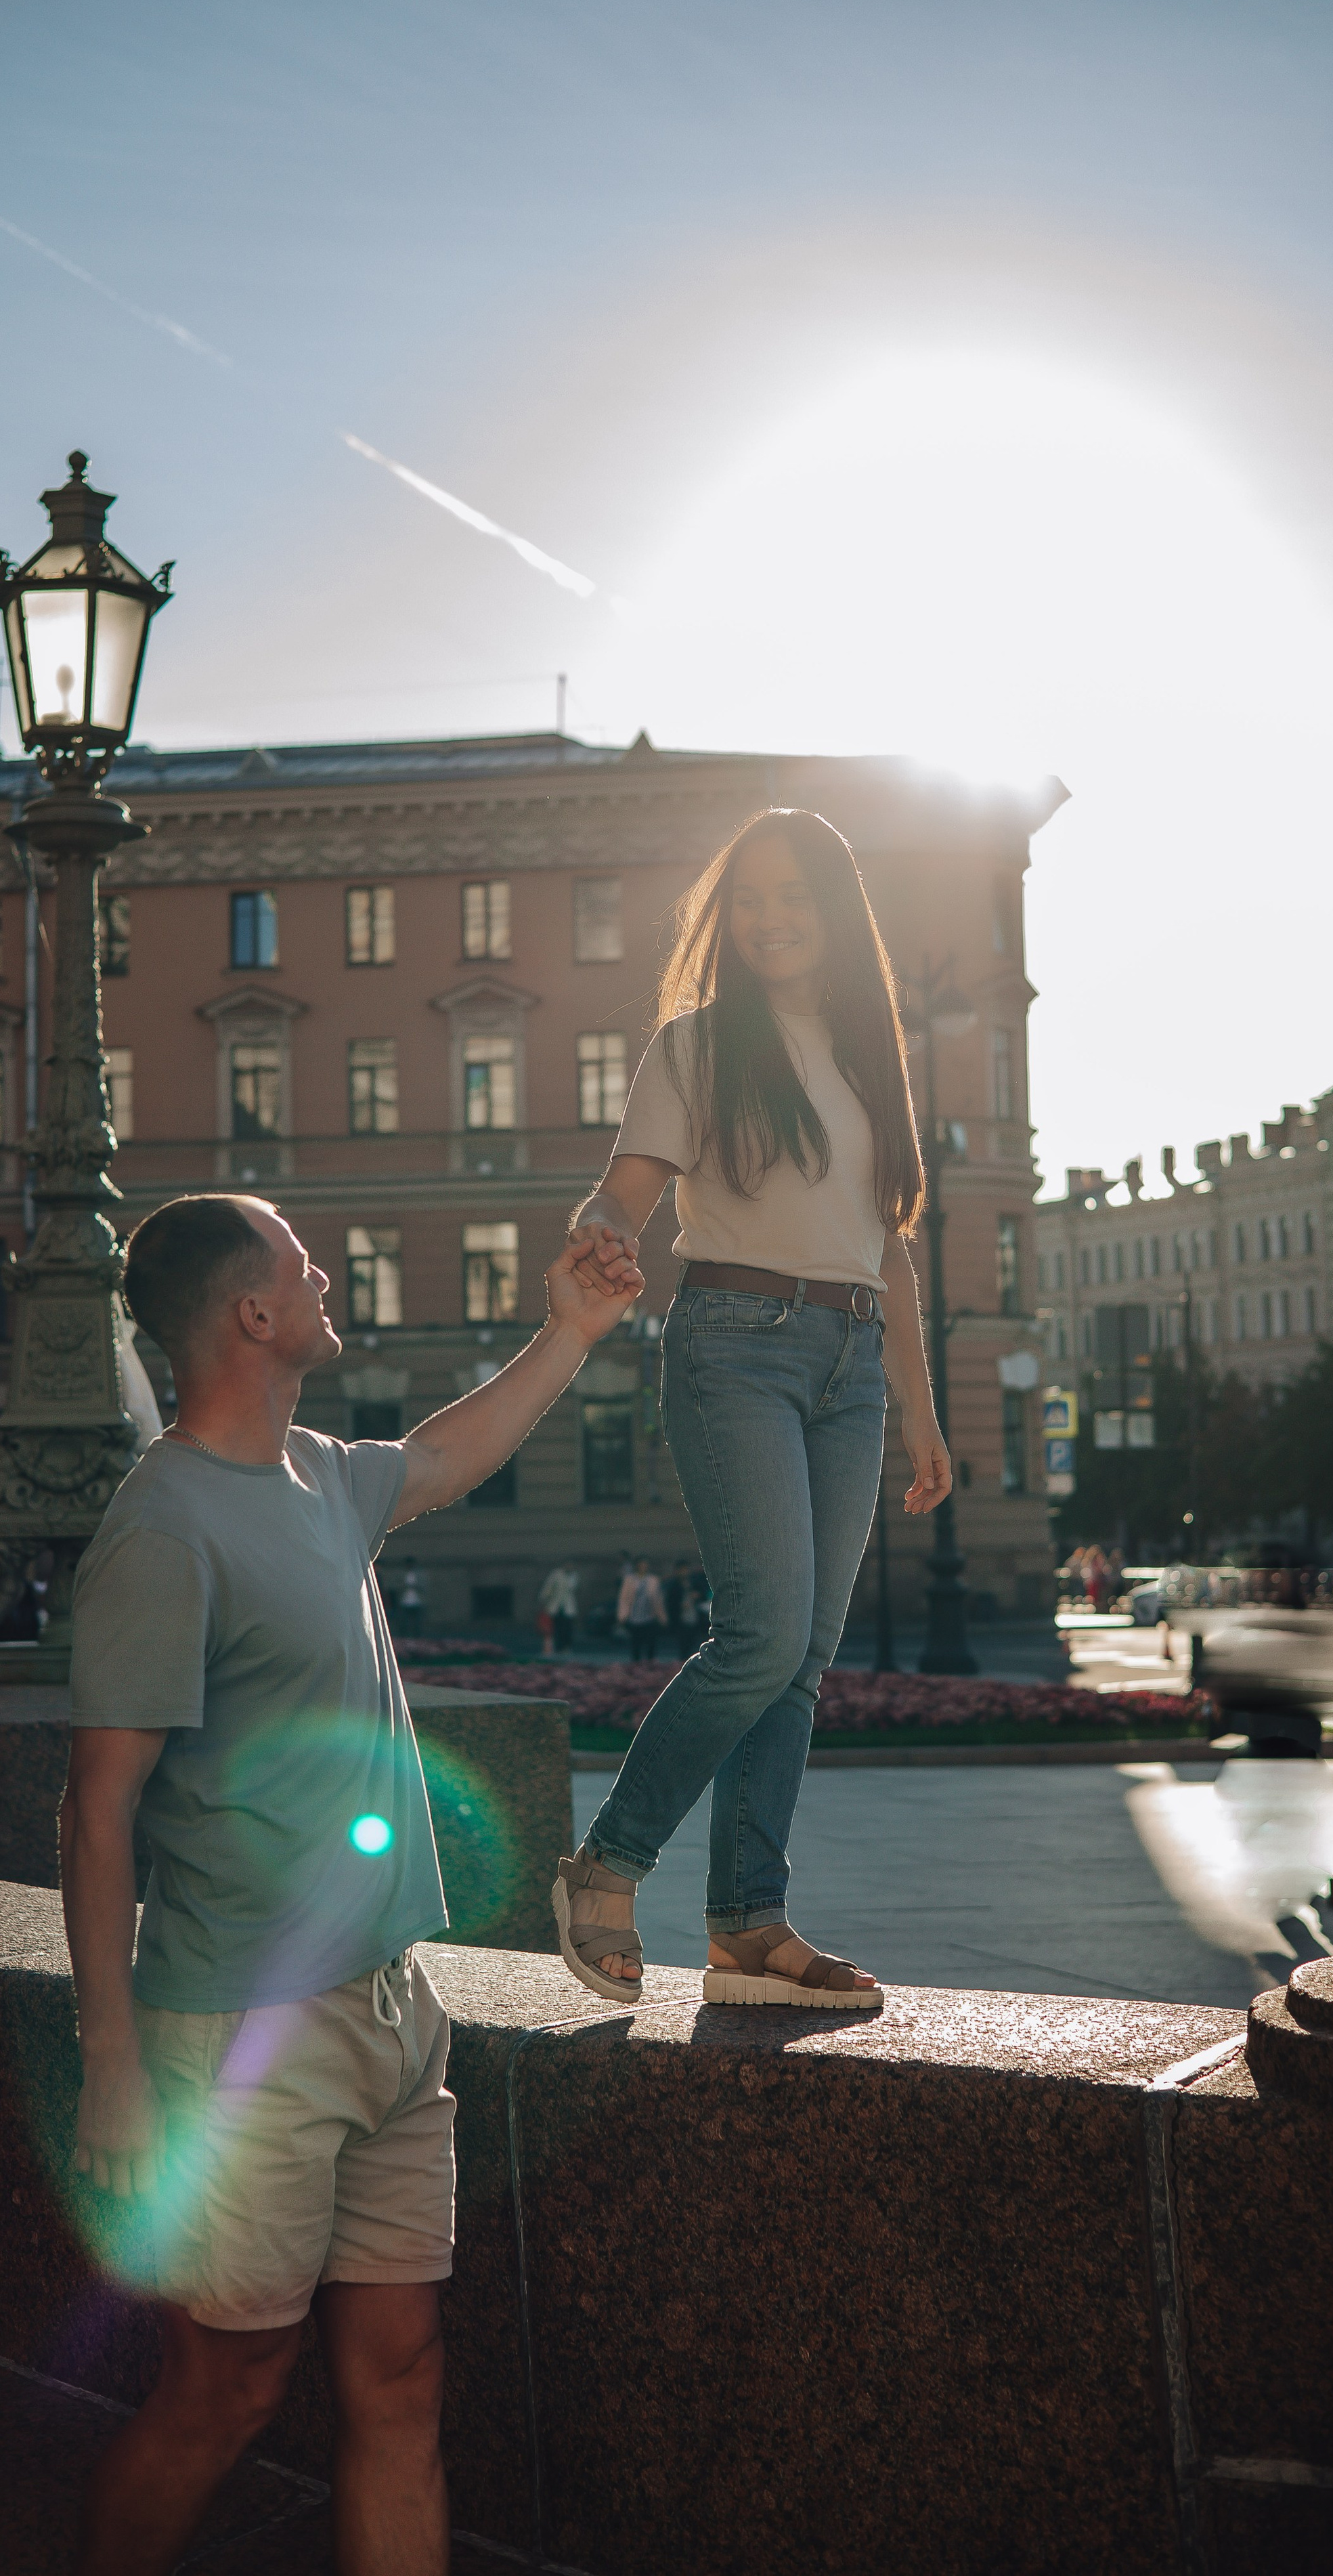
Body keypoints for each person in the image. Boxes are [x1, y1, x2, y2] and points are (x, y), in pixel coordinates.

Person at [62, 1192, 640, 2576]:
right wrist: (112, 2068)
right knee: (229, 2390)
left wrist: (569, 1331)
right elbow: (96, 1813)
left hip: (391, 2009)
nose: (325, 1275)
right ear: (250, 1314)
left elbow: (447, 1454)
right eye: (298, 1264)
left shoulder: (321, 1472)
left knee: (402, 2380)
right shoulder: (162, 1529)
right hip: (243, 2038)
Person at [550, 807, 950, 2013]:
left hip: (851, 1363)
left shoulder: (869, 1053)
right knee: (763, 1636)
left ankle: (749, 1928)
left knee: (804, 1661)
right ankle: (605, 1867)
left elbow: (892, 1252)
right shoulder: (699, 1043)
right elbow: (626, 1186)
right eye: (753, 899)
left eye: (798, 896)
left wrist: (921, 1416)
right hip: (738, 1346)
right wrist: (600, 1231)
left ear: (836, 914)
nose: (774, 918)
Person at [616, 1555, 666, 1662]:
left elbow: (658, 1599)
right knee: (636, 1644)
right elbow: (624, 1598)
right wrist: (622, 1616)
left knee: (651, 1643)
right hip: (634, 1616)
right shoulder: (630, 1580)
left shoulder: (653, 1580)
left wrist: (662, 1617)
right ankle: (636, 1664)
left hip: (650, 1616)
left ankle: (650, 1663)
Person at [538, 1562, 580, 1658]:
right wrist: (544, 1599)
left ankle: (566, 1647)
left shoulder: (573, 1576)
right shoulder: (556, 1574)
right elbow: (548, 1588)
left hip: (568, 1607)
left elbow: (573, 1587)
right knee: (557, 1627)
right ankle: (558, 1646)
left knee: (567, 1628)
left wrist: (571, 1576)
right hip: (556, 1606)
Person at [395, 1558, 426, 1646]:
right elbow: (397, 1586)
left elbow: (424, 1587)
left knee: (417, 1624)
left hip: (417, 1602)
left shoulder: (419, 1575)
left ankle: (418, 1642)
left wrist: (415, 1587)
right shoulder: (402, 1574)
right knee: (404, 1624)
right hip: (405, 1602)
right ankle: (403, 1642)